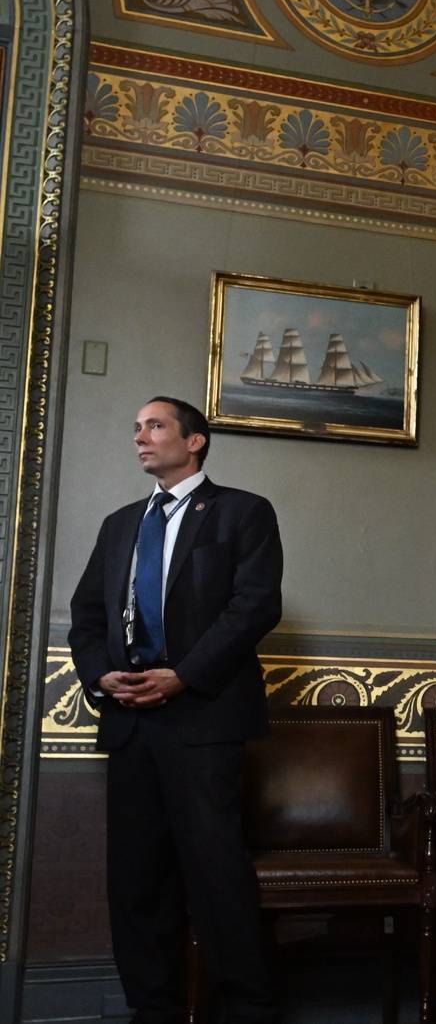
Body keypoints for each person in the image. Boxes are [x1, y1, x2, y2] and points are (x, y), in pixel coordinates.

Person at [69, 397, 282, 1024]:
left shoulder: (243, 512)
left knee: (217, 876)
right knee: (137, 882)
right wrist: (98, 677)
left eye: (155, 425)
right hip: (130, 722)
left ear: (196, 441)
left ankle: (250, 1009)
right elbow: (88, 617)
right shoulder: (119, 525)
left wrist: (183, 677)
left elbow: (255, 606)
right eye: (135, 427)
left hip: (205, 721)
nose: (140, 436)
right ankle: (152, 1010)